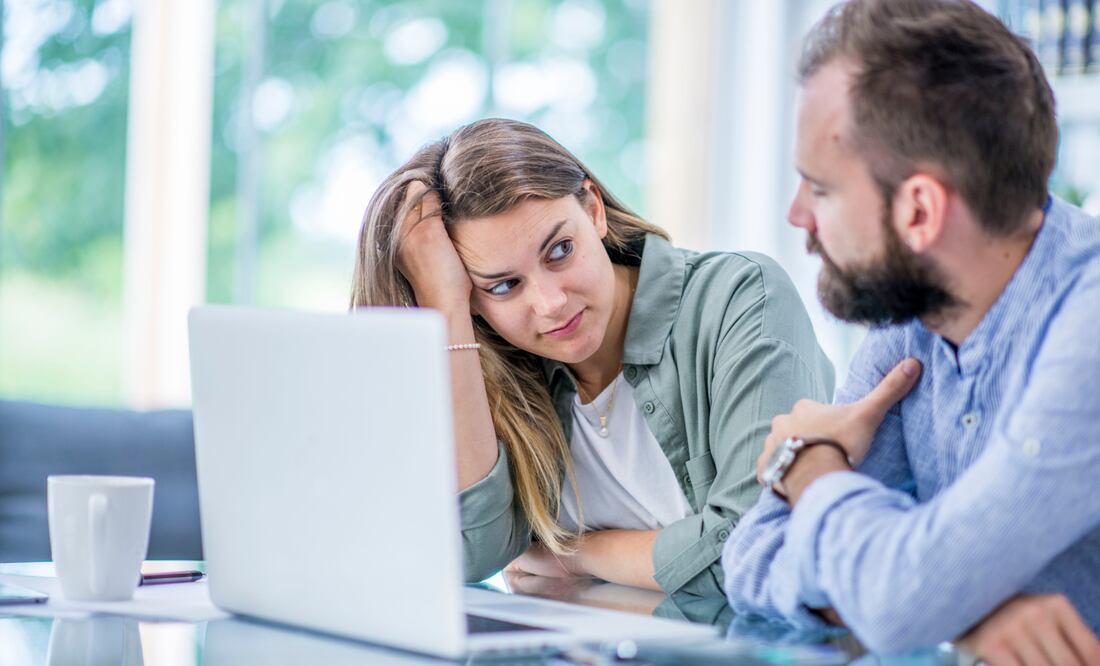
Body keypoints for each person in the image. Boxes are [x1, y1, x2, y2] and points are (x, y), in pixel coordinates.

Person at [720, 0, 1100, 663]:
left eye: (822, 189)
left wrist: (809, 469)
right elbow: (751, 560)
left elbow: (901, 594)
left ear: (920, 210)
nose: (796, 215)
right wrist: (959, 605)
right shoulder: (918, 315)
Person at [350, 118, 833, 598]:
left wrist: (574, 552)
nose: (551, 303)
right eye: (502, 285)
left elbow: (761, 550)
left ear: (594, 209)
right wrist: (446, 306)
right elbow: (470, 557)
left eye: (559, 250)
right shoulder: (505, 370)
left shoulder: (741, 297)